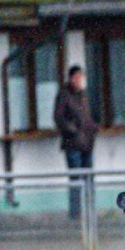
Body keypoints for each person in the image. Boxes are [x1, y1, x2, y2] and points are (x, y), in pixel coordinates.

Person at [54, 65, 98, 221]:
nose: (80, 80)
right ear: (72, 78)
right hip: (73, 144)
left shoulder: (83, 95)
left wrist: (93, 128)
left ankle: (90, 211)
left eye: (82, 76)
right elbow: (59, 118)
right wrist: (73, 131)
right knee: (76, 179)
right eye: (78, 77)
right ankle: (76, 213)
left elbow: (87, 116)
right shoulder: (64, 95)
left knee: (89, 178)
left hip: (87, 143)